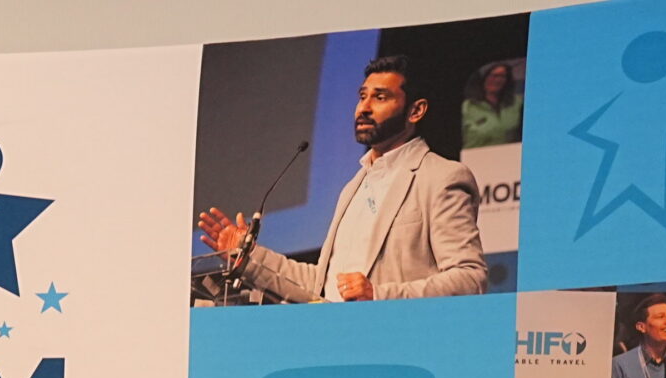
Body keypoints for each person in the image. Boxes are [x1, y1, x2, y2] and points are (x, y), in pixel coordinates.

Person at [196, 55, 487, 302]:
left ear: (416, 110)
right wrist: (248, 258)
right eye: (362, 96)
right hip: (339, 339)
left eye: (380, 97)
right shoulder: (353, 187)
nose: (364, 108)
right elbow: (320, 287)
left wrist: (378, 295)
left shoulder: (441, 177)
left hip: (399, 341)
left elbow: (470, 278)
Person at [460, 59, 523, 150]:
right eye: (493, 75)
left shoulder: (518, 103)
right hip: (474, 155)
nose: (497, 80)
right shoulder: (467, 107)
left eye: (502, 76)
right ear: (483, 78)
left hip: (509, 154)